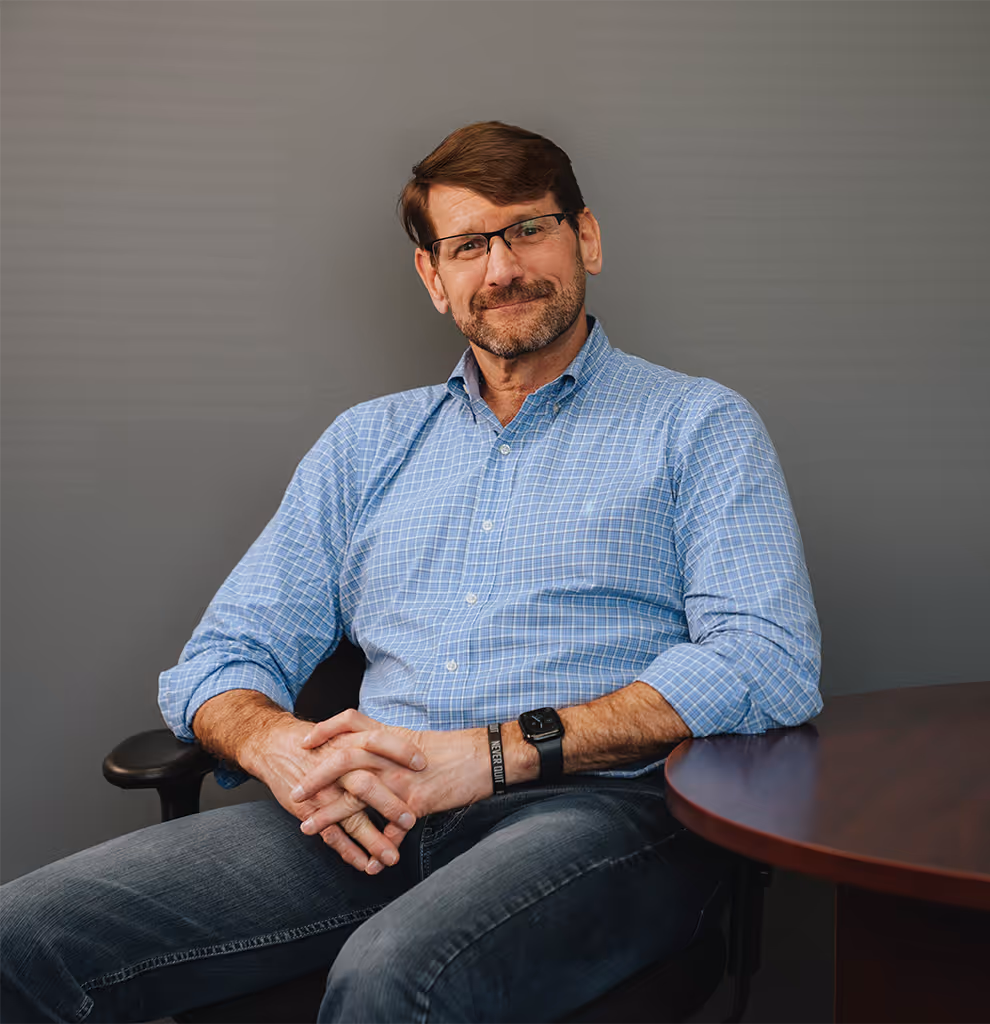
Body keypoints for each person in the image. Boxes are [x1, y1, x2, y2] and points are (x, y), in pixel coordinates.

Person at [0, 121, 821, 1023]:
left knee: (393, 978)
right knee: (25, 933)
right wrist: (281, 750)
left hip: (594, 814)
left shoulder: (698, 427)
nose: (502, 267)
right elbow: (222, 656)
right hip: (366, 812)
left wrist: (492, 755)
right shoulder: (365, 446)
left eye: (527, 229)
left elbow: (766, 660)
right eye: (468, 244)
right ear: (434, 278)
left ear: (584, 236)